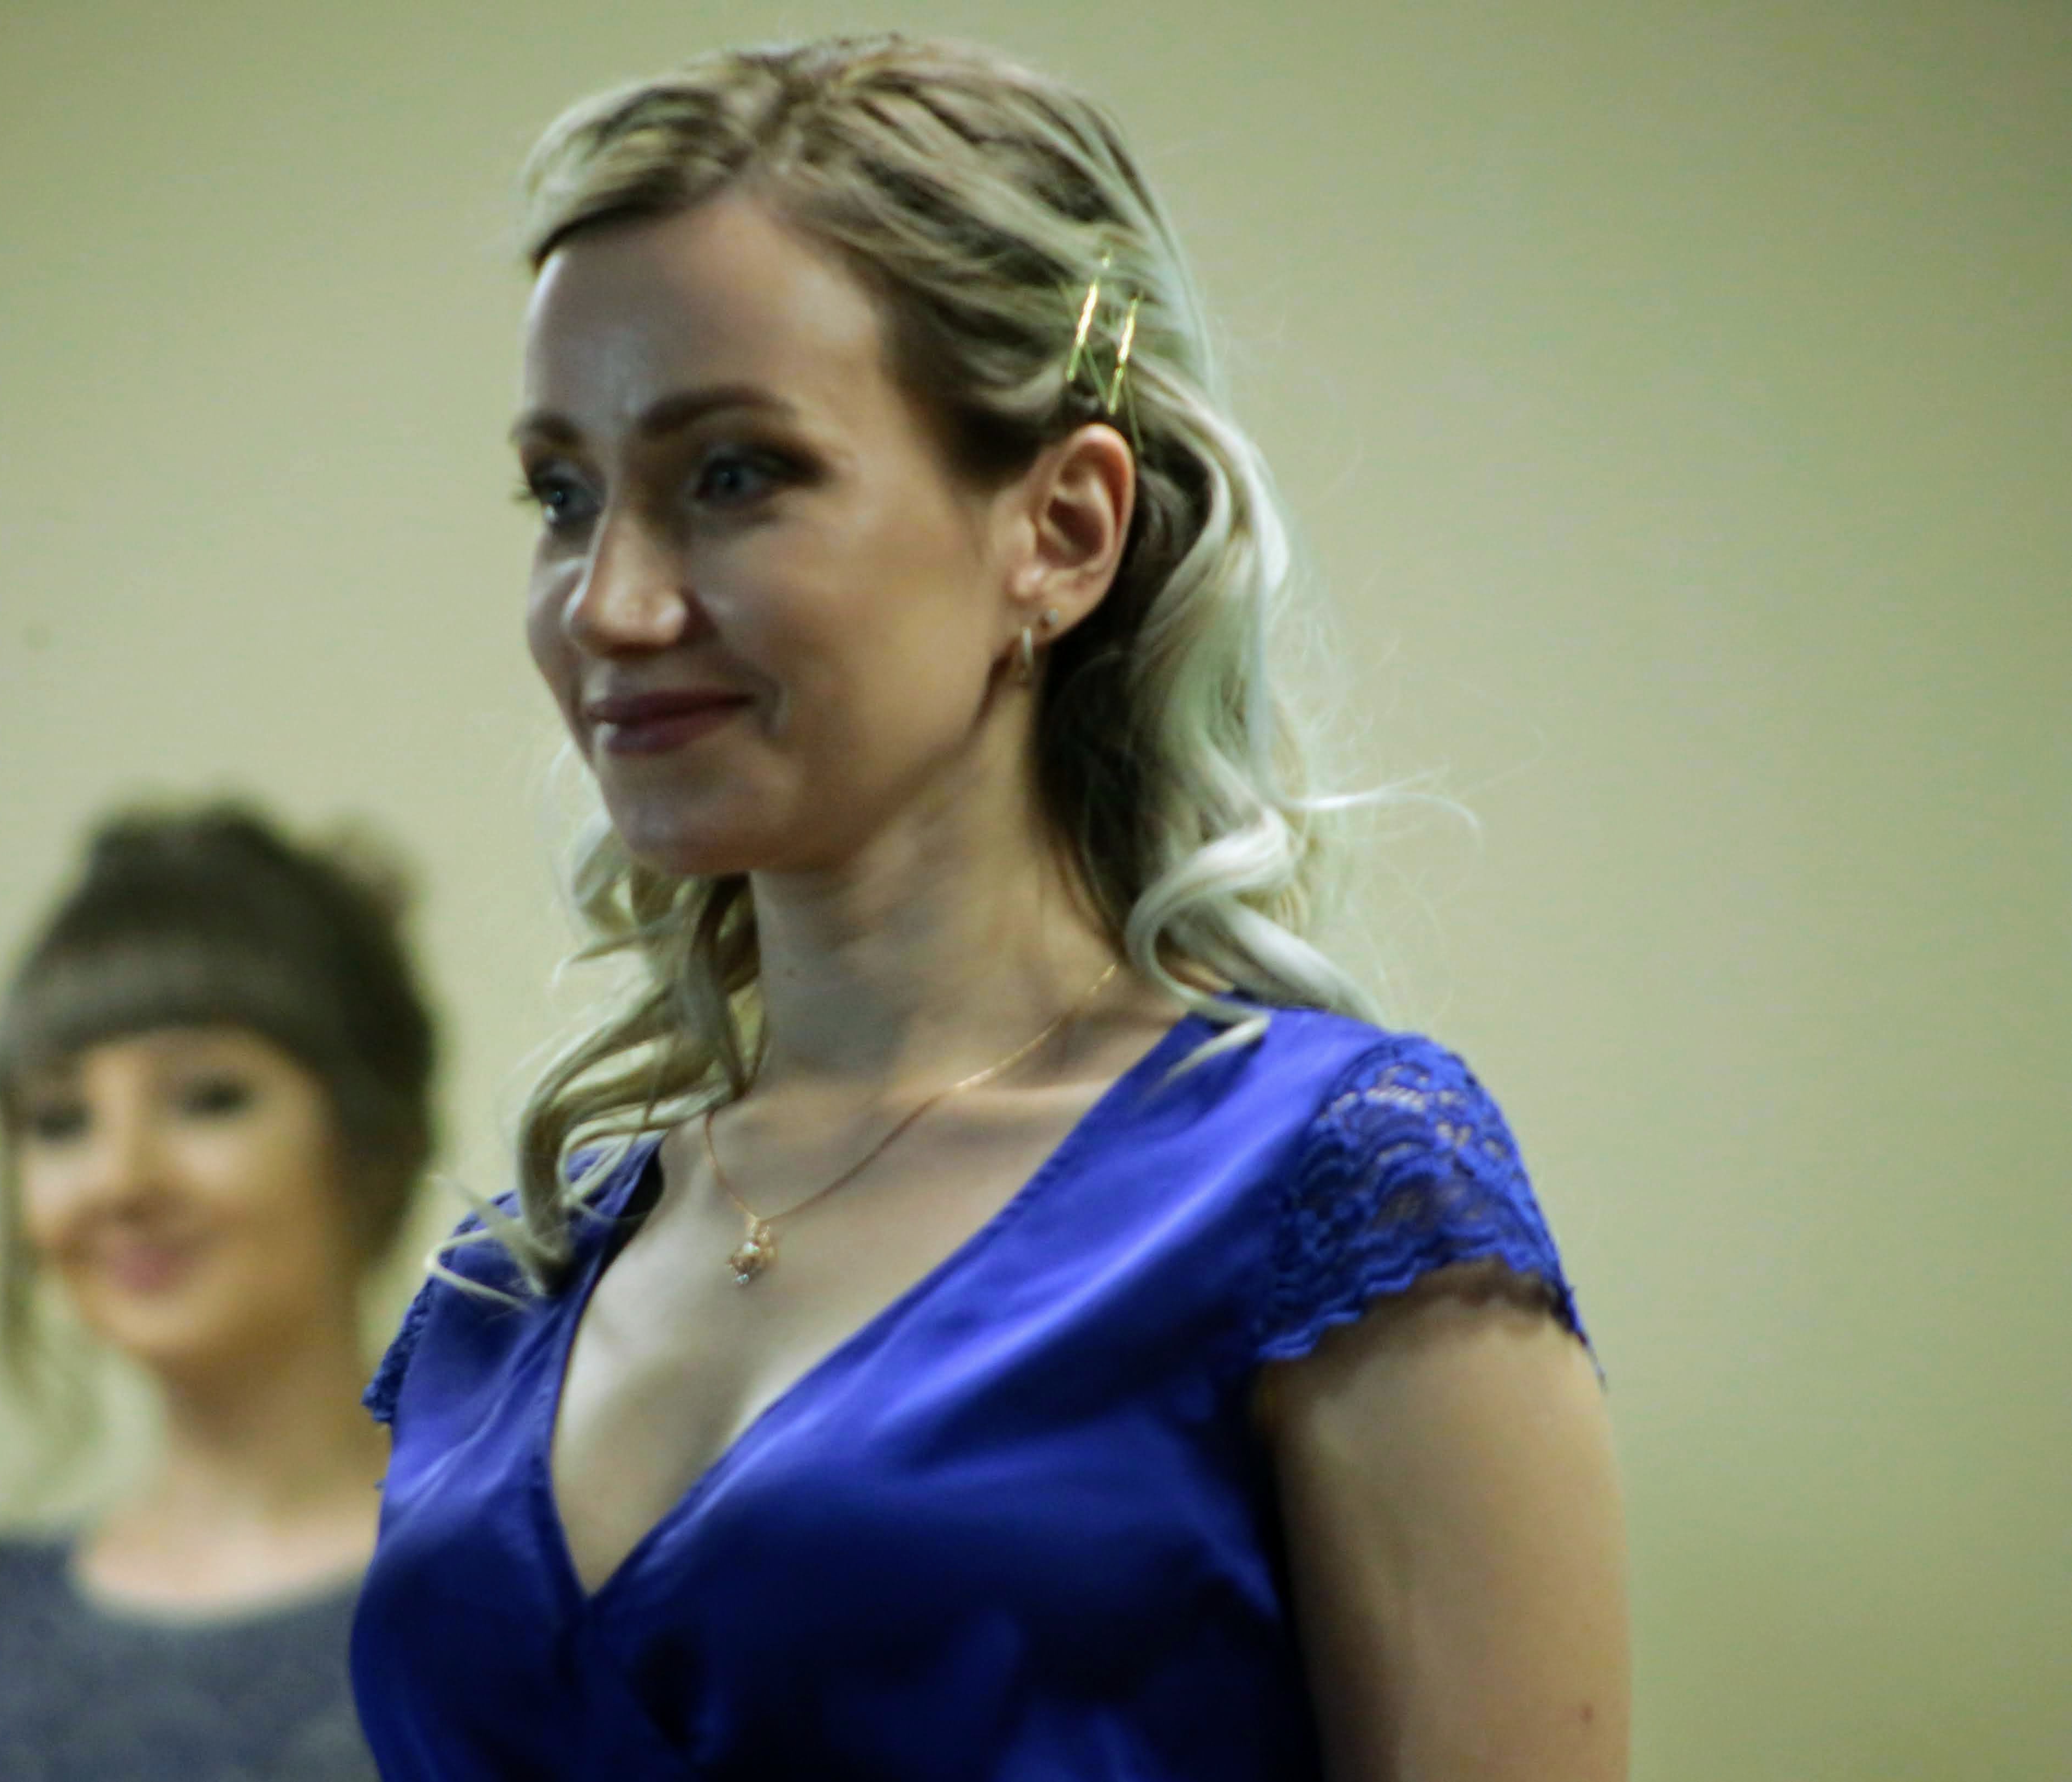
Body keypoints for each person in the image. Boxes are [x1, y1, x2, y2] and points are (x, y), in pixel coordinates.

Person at [352, 33, 1628, 1782]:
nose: (611, 605)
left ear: (1062, 529)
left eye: (734, 474)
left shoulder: (1328, 1197)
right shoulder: (511, 1288)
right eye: (563, 496)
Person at [0, 803, 433, 1782]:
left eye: (207, 1098)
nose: (119, 1180)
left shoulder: (527, 1599)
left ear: (372, 1142)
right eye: (59, 1119)